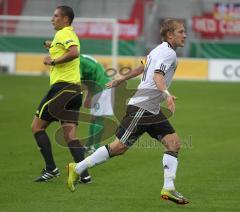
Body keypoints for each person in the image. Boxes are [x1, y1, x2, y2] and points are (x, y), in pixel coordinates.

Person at [67, 19, 189, 204]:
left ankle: (169, 188)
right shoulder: (167, 54)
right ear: (170, 34)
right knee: (119, 148)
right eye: (181, 31)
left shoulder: (158, 50)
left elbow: (143, 66)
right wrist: (167, 94)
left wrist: (119, 79)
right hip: (141, 108)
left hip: (152, 109)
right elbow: (157, 75)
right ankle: (77, 168)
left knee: (174, 144)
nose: (185, 35)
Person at [31, 5, 90, 183]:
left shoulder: (64, 33)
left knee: (37, 127)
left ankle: (52, 169)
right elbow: (68, 48)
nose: (52, 18)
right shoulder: (68, 34)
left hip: (62, 90)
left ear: (65, 19)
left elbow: (74, 52)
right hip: (74, 91)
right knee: (70, 135)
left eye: (56, 16)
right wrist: (51, 45)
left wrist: (53, 61)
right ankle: (85, 174)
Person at [80, 54, 114, 153]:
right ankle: (89, 145)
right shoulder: (81, 59)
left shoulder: (78, 62)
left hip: (103, 87)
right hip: (97, 87)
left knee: (99, 117)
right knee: (93, 117)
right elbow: (89, 79)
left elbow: (79, 83)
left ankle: (95, 147)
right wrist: (88, 95)